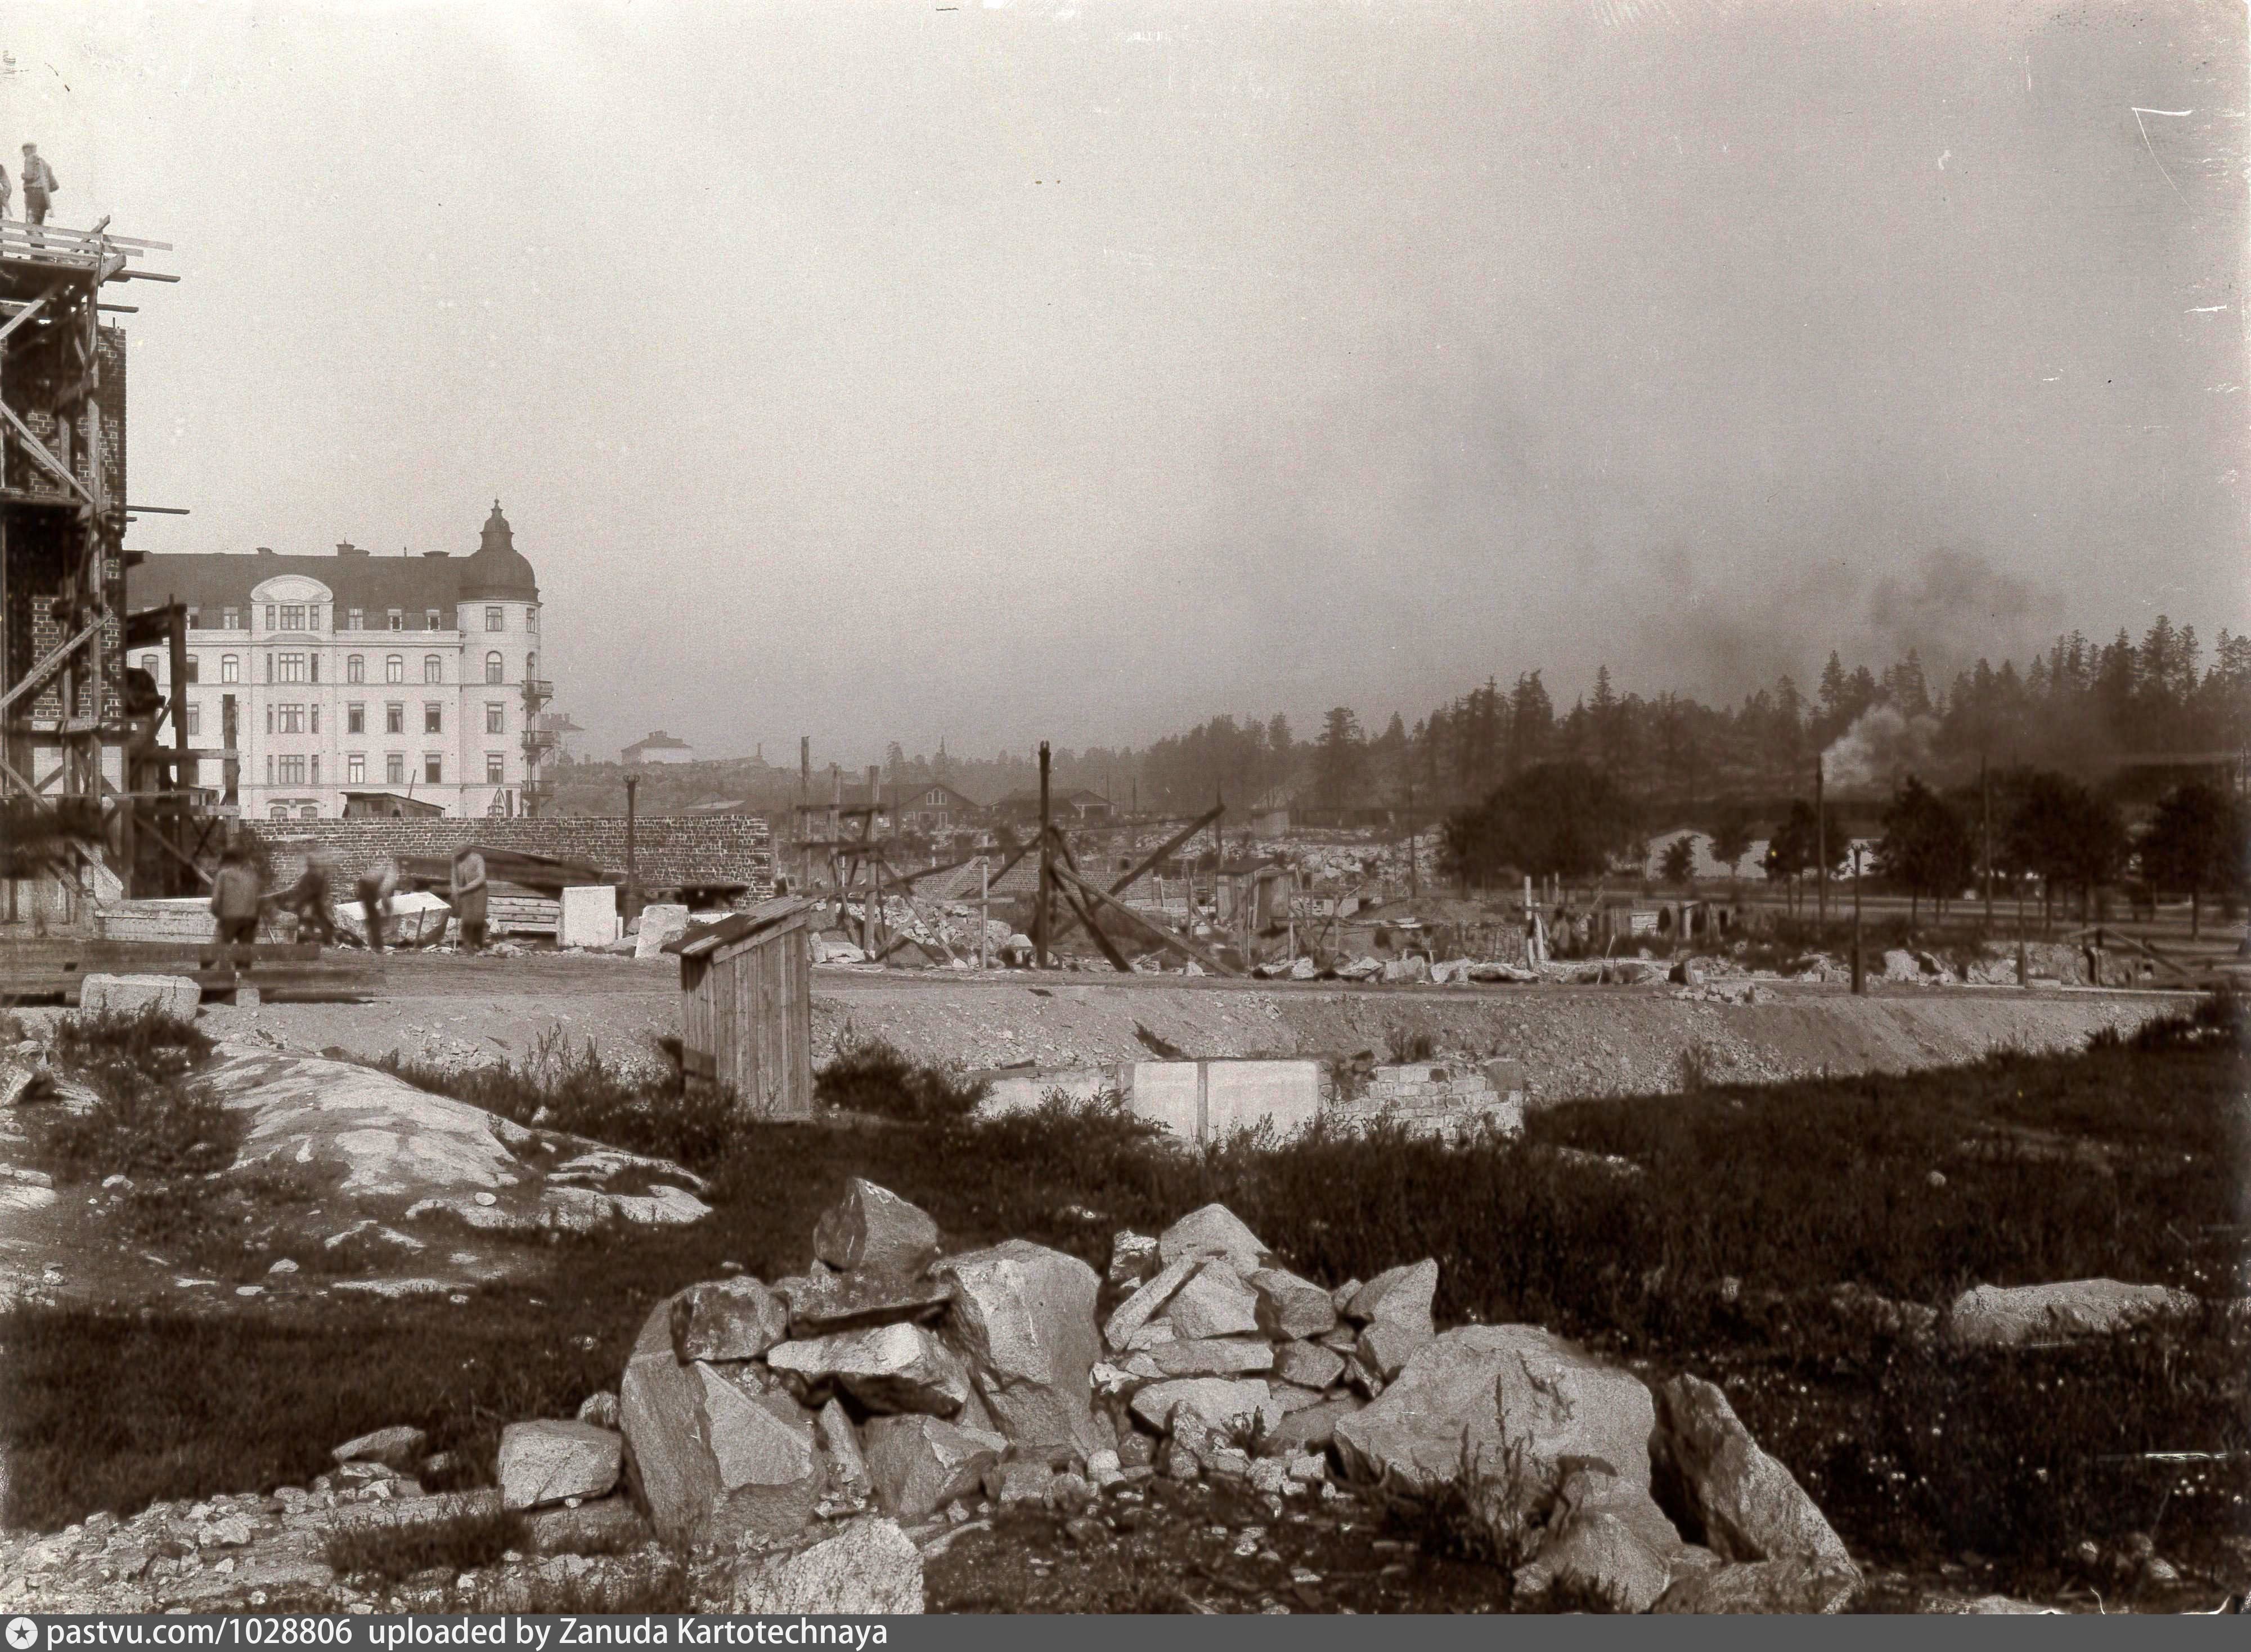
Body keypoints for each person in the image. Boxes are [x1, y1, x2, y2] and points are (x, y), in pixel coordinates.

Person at [209, 848, 263, 947]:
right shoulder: (252, 876)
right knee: (245, 951)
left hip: (230, 917)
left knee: (220, 949)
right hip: (250, 918)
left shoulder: (223, 875)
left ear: (226, 861)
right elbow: (257, 899)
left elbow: (216, 901)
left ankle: (214, 957)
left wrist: (218, 914)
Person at [285, 851, 337, 946]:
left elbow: (308, 892)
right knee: (319, 921)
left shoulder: (311, 876)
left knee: (309, 921)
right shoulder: (317, 875)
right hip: (317, 903)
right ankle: (325, 941)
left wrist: (299, 904)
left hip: (312, 903)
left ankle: (309, 941)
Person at [356, 856, 399, 953]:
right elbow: (385, 896)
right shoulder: (391, 876)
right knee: (375, 919)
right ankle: (378, 947)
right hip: (367, 887)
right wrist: (389, 916)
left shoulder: (384, 869)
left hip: (364, 886)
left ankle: (373, 945)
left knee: (372, 918)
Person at [451, 845, 488, 952]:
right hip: (465, 893)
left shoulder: (477, 858)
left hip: (479, 891)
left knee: (478, 917)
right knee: (466, 917)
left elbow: (482, 878)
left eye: (462, 854)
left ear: (467, 852)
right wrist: (455, 891)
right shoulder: (456, 861)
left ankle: (477, 944)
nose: (460, 856)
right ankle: (467, 944)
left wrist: (464, 889)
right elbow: (454, 878)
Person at [19, 145, 55, 241]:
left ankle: (39, 251)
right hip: (44, 198)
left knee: (30, 226)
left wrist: (23, 175)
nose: (24, 154)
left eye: (25, 151)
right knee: (38, 227)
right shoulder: (45, 164)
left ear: (30, 150)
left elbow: (29, 176)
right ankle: (39, 250)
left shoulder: (30, 158)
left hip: (33, 195)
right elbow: (55, 186)